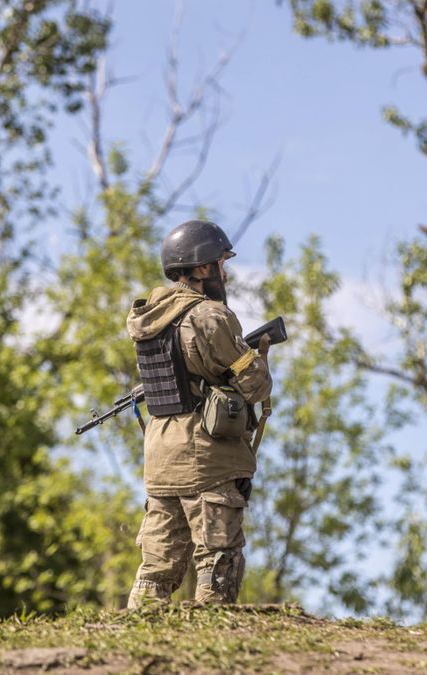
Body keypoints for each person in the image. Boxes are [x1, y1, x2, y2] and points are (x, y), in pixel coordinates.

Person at [124, 219, 273, 607]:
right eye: (220, 263)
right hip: (208, 456)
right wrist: (257, 358)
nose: (225, 271)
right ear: (202, 267)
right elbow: (254, 384)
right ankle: (213, 642)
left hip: (160, 454)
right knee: (216, 564)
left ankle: (137, 638)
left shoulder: (146, 319)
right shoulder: (210, 316)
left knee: (156, 569)